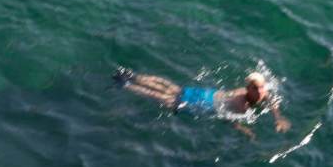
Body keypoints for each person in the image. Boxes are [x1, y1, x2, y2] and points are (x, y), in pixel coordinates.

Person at [114, 68, 292, 132]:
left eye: (262, 88)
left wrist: (278, 117)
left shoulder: (260, 92)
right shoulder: (242, 105)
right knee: (162, 96)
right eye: (257, 88)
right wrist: (244, 130)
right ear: (248, 89)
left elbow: (271, 101)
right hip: (200, 102)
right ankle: (127, 84)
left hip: (206, 94)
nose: (262, 92)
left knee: (171, 88)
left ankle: (134, 76)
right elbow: (229, 119)